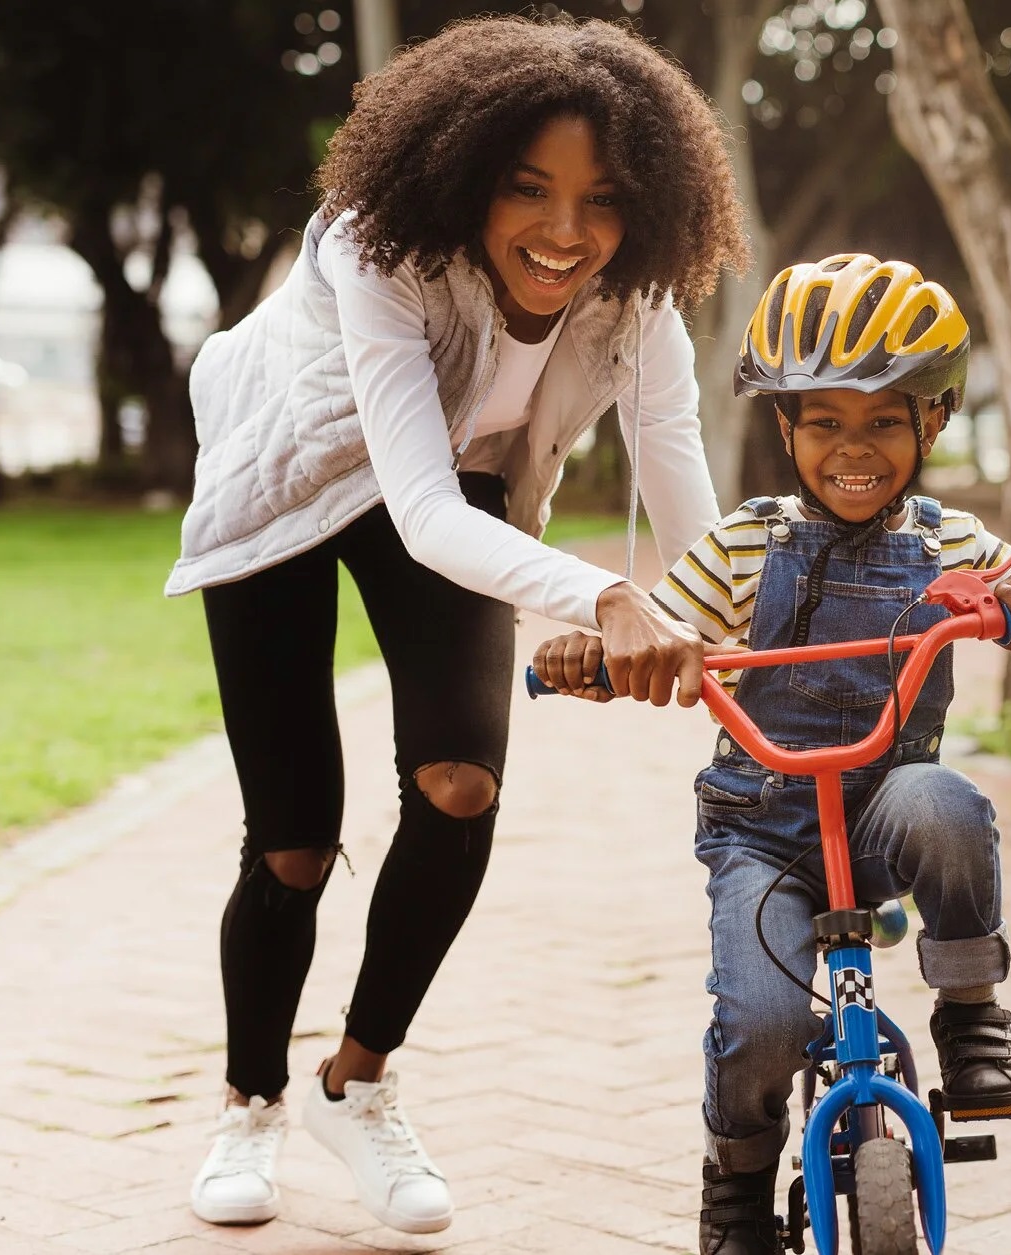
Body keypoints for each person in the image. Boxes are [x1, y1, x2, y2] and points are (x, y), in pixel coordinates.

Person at [164, 16, 749, 1235]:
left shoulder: (636, 301)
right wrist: (605, 593)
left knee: (459, 781)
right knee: (292, 841)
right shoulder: (377, 251)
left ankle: (356, 1083)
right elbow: (420, 510)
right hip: (287, 484)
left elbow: (675, 462)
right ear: (464, 177)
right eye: (526, 189)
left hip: (454, 485)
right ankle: (250, 1099)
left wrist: (725, 617)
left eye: (601, 200)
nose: (565, 231)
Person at [532, 254, 1011, 1255]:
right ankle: (736, 1188)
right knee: (759, 1023)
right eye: (825, 422)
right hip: (765, 831)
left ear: (929, 424)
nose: (855, 448)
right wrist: (604, 651)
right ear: (785, 429)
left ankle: (969, 1012)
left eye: (883, 421)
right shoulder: (744, 544)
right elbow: (666, 627)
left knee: (947, 802)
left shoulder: (954, 545)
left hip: (885, 819)